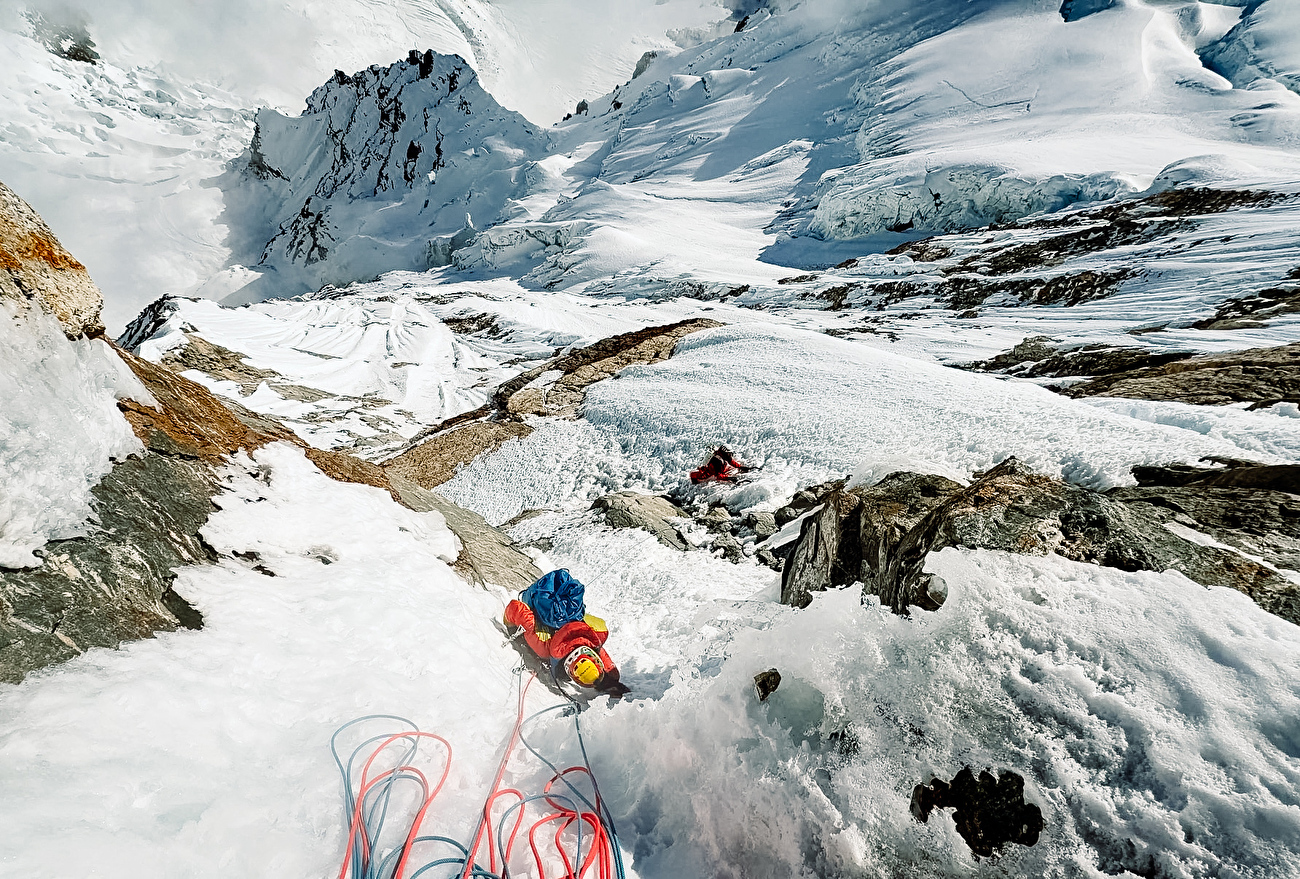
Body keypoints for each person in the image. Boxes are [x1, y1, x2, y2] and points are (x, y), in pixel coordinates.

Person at [503, 569, 629, 697]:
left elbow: (597, 650)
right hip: (545, 606)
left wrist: (610, 680)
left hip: (571, 618)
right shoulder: (543, 646)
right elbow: (515, 607)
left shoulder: (600, 632)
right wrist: (513, 630)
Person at [689, 445, 754, 483]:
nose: (729, 455)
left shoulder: (723, 456)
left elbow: (731, 462)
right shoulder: (717, 461)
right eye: (728, 454)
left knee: (730, 470)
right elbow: (718, 476)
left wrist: (740, 467)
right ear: (725, 453)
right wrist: (729, 478)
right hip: (710, 471)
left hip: (719, 468)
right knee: (702, 476)